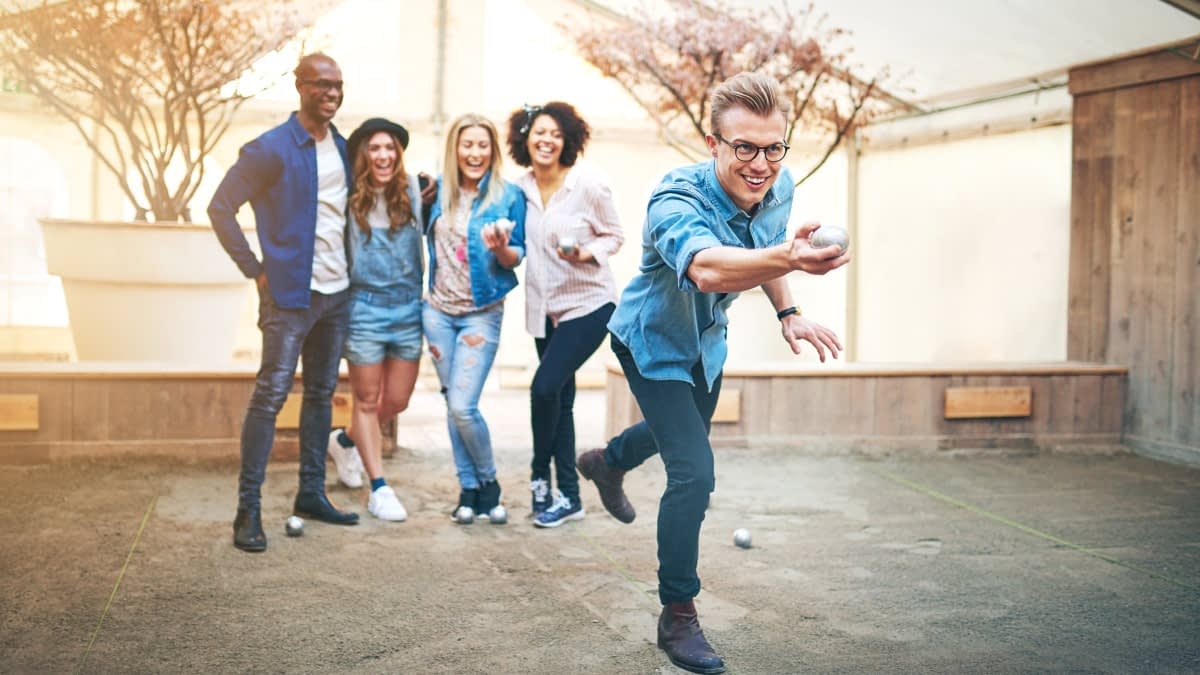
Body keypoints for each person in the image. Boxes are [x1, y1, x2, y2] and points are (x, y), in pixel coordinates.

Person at [576, 73, 850, 674]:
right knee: (694, 472)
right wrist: (791, 262)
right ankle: (678, 615)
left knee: (680, 437)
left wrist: (789, 310)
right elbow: (708, 269)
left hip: (705, 344)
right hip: (650, 342)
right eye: (744, 148)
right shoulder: (675, 198)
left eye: (773, 147)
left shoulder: (778, 186)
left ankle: (607, 460)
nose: (760, 163)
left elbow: (769, 245)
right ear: (713, 144)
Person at [208, 53, 360, 553]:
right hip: (289, 298)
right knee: (270, 397)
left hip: (336, 294)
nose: (331, 93)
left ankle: (311, 494)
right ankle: (247, 509)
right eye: (321, 84)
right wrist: (254, 269)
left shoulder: (342, 147)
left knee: (320, 396)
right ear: (300, 87)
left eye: (337, 85)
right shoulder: (269, 149)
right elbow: (221, 207)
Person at [504, 102, 623, 528]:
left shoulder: (587, 185)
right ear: (525, 138)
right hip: (544, 311)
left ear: (567, 140)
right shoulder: (517, 190)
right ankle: (569, 498)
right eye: (538, 132)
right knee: (561, 400)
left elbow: (616, 235)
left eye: (555, 133)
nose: (546, 140)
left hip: (589, 304)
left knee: (543, 388)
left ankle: (540, 477)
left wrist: (586, 251)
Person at [319, 117, 426, 522]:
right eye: (374, 148)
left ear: (398, 154)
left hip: (407, 308)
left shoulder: (416, 190)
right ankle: (379, 488)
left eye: (389, 148)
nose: (383, 155)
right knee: (365, 400)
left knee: (397, 400)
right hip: (363, 308)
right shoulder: (349, 197)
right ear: (363, 155)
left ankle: (345, 441)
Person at [423, 113, 526, 524]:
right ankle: (468, 490)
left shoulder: (507, 195)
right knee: (453, 405)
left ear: (493, 151)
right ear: (455, 149)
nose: (475, 152)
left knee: (464, 406)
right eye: (467, 144)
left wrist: (501, 249)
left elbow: (518, 255)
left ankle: (489, 482)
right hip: (436, 313)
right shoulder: (435, 192)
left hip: (480, 314)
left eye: (483, 145)